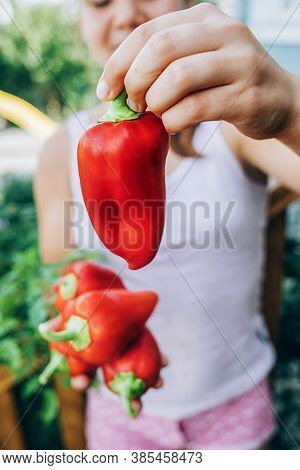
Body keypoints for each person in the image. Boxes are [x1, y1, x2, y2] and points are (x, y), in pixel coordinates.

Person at [34, 1, 300, 450]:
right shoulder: (61, 150)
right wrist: (85, 344)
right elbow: (64, 281)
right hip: (122, 411)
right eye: (99, 0)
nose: (124, 13)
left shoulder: (237, 126)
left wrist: (292, 111)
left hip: (234, 406)